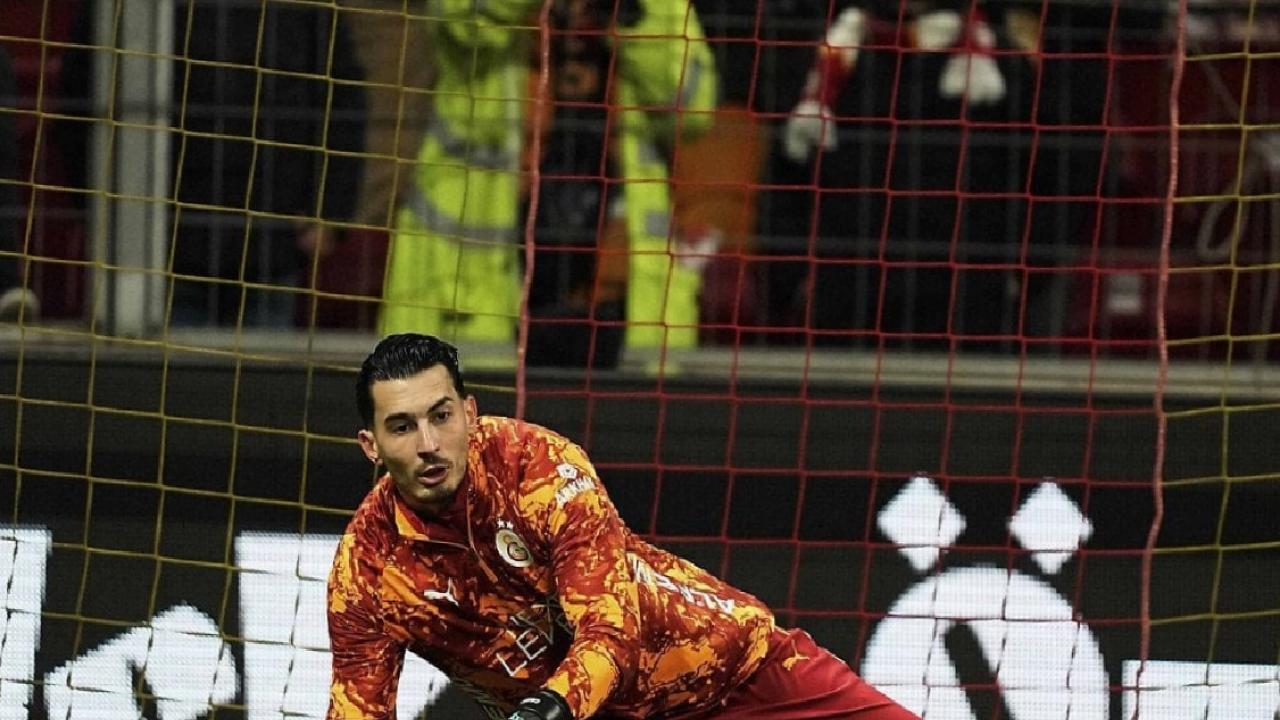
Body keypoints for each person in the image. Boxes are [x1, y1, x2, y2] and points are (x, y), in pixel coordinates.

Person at [327, 332, 920, 719]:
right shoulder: (366, 573)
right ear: (370, 445)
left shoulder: (538, 469)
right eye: (402, 427)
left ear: (470, 414)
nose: (429, 444)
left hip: (741, 678)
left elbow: (610, 630)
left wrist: (549, 708)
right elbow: (358, 709)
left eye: (441, 416)